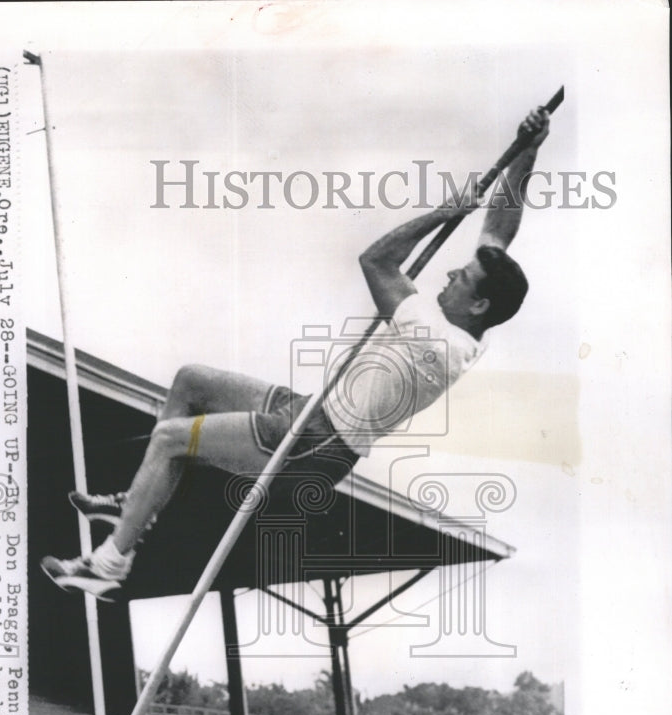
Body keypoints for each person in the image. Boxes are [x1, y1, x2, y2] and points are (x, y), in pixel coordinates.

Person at [42, 108, 550, 601]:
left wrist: (443, 213)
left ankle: (108, 564)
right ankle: (137, 505)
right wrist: (527, 150)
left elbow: (375, 258)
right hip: (312, 409)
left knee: (171, 438)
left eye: (461, 279)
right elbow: (498, 233)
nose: (450, 275)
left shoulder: (434, 339)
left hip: (317, 444)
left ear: (479, 303)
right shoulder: (466, 324)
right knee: (192, 380)